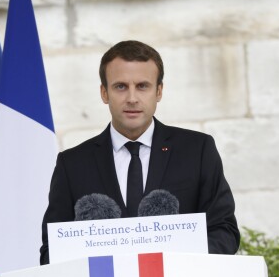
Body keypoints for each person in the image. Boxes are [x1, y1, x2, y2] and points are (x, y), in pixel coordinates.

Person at [39, 40, 240, 265]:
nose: (132, 98)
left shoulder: (197, 150)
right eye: (121, 86)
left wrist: (179, 265)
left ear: (159, 91)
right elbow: (52, 250)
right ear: (104, 93)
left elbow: (224, 231)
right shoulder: (72, 164)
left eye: (142, 86)